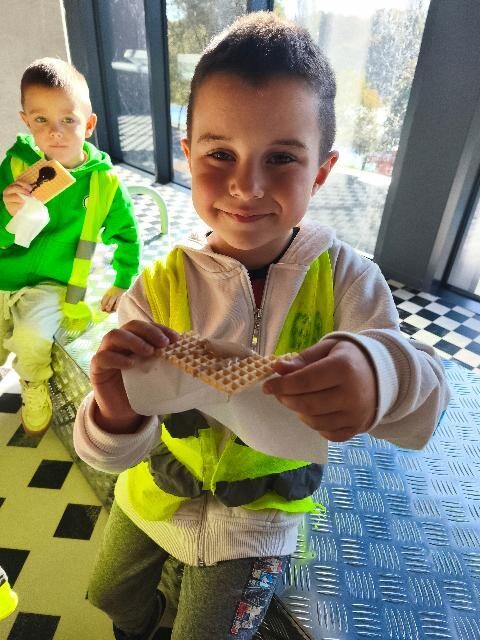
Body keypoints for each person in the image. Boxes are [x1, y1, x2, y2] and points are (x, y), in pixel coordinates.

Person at [74, 12, 449, 640]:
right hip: (155, 492)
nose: (246, 186)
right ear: (187, 154)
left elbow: (428, 404)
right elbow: (112, 452)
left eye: (281, 158)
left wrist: (379, 372)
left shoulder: (347, 281)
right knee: (109, 593)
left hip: (260, 521)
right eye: (221, 154)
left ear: (321, 171)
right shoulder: (158, 285)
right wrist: (114, 410)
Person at [0, 58, 141, 436]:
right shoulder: (16, 165)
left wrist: (123, 279)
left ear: (89, 124)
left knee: (32, 337)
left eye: (68, 119)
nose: (55, 132)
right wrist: (6, 211)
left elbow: (127, 233)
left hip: (52, 282)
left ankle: (33, 382)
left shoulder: (103, 183)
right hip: (3, 269)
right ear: (26, 122)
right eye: (41, 119)